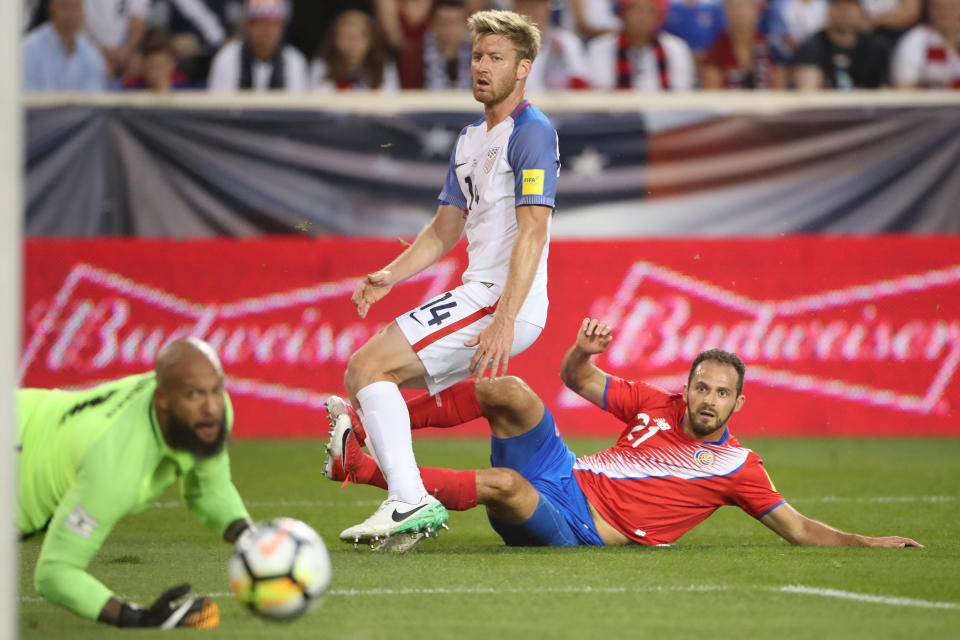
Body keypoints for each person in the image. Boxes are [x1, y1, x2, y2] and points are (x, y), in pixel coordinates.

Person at [325, 319, 923, 551]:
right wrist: (582, 352)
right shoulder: (655, 404)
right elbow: (574, 379)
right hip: (563, 470)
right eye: (702, 388)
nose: (708, 400)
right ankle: (384, 419)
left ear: (739, 402)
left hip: (579, 526)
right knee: (507, 390)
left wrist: (866, 543)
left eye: (721, 393)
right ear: (687, 388)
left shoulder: (740, 467)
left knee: (504, 484)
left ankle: (362, 466)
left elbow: (797, 528)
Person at [330, 8, 560, 549]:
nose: (482, 66)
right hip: (479, 293)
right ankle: (407, 503)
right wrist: (390, 273)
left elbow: (533, 234)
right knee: (368, 377)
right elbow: (443, 230)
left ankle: (407, 497)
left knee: (368, 366)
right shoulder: (469, 140)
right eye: (477, 56)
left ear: (523, 68)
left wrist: (504, 321)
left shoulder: (532, 132)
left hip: (502, 300)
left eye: (496, 58)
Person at [18, 338, 253, 628]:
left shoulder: (207, 416)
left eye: (216, 390)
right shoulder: (115, 466)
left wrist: (249, 536)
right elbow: (55, 572)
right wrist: (137, 618)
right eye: (194, 394)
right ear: (162, 400)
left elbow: (208, 490)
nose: (211, 407)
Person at [587, 0, 697, 91]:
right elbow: (601, 88)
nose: (642, 17)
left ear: (659, 18)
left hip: (665, 114)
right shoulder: (600, 47)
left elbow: (681, 89)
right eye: (636, 11)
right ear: (623, 14)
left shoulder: (676, 47)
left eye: (650, 12)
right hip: (615, 114)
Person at [207, 0, 310, 92]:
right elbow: (220, 108)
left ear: (282, 27)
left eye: (272, 24)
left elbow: (296, 108)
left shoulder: (294, 61)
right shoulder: (227, 58)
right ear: (246, 26)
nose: (266, 31)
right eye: (258, 23)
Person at [793, 0, 890, 89]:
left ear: (861, 10)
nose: (844, 12)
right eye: (838, 5)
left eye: (850, 6)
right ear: (828, 9)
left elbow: (884, 92)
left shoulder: (875, 47)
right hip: (827, 106)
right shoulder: (812, 47)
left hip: (866, 106)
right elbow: (808, 95)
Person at [22, 0, 106, 91]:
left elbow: (93, 99)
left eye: (77, 7)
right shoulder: (29, 49)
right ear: (52, 8)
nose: (73, 13)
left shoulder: (91, 54)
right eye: (66, 6)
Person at [702, 0, 787, 88]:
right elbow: (712, 92)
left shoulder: (770, 47)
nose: (739, 13)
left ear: (757, 12)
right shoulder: (716, 50)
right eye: (733, 8)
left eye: (745, 7)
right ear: (725, 13)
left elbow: (779, 90)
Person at [311, 8, 400, 91]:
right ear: (335, 40)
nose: (352, 44)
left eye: (357, 38)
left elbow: (390, 100)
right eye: (345, 37)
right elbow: (319, 101)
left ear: (370, 40)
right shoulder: (322, 67)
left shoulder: (383, 66)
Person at [514, 0, 592, 91]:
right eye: (525, 7)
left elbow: (582, 85)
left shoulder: (566, 42)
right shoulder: (505, 47)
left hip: (560, 104)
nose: (531, 13)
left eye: (537, 7)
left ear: (548, 10)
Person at [890, 0, 960, 88]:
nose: (946, 13)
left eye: (952, 8)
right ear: (930, 10)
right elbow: (904, 88)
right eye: (940, 8)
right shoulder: (914, 40)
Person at [82, 0, 149, 80]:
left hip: (127, 50)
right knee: (99, 66)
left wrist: (126, 49)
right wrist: (100, 51)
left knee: (136, 65)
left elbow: (138, 21)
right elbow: (78, 20)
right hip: (93, 48)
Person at [422, 0, 474, 90]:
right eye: (443, 22)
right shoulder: (419, 54)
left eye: (455, 23)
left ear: (466, 24)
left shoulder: (478, 55)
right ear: (433, 24)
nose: (449, 29)